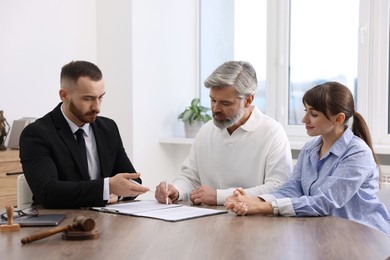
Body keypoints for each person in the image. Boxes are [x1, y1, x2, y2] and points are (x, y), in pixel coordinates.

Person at [225, 81, 390, 237]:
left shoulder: (358, 154)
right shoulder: (310, 148)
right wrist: (253, 200)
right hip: (325, 233)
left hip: (364, 237)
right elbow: (293, 188)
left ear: (338, 119)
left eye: (314, 114)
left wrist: (263, 207)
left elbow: (325, 202)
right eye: (306, 112)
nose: (304, 120)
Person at [155, 61, 292, 206]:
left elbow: (278, 187)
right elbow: (190, 177)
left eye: (225, 103)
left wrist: (219, 196)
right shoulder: (206, 131)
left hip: (253, 221)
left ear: (248, 100)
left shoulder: (272, 132)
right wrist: (176, 190)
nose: (215, 109)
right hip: (206, 220)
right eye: (213, 100)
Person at [19, 60, 149, 209]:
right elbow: (49, 192)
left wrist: (114, 193)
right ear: (64, 95)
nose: (97, 107)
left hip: (105, 220)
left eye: (100, 97)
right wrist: (106, 188)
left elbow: (133, 182)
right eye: (88, 98)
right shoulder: (36, 134)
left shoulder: (109, 128)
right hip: (60, 225)